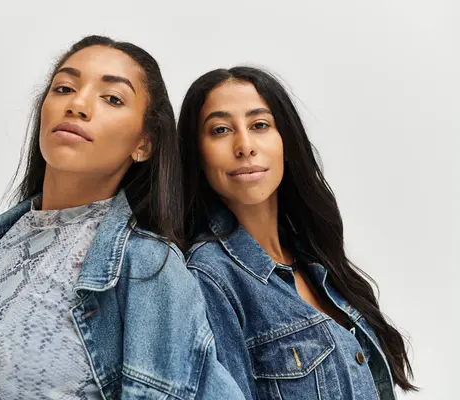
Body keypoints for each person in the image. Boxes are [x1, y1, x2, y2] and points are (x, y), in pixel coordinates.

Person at [0, 35, 243, 400]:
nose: (79, 104)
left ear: (144, 143)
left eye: (113, 99)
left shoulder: (149, 266)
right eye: (65, 88)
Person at [178, 66, 417, 399]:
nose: (244, 145)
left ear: (285, 142)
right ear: (197, 154)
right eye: (220, 130)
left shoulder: (315, 259)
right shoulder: (208, 278)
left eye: (260, 125)